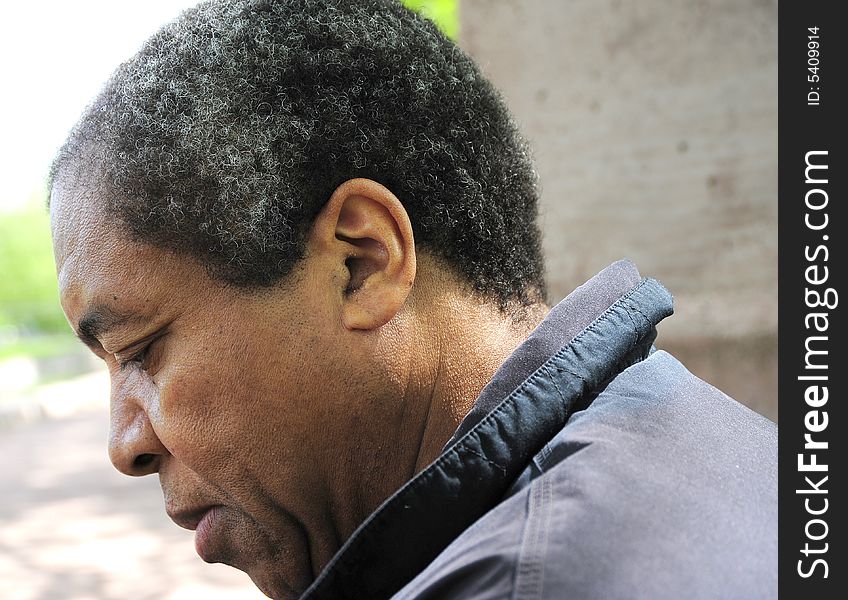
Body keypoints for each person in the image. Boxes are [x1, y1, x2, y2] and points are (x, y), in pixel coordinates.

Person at [48, 0, 777, 598]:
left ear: (361, 262)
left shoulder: (535, 579)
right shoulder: (703, 441)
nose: (125, 446)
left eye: (140, 352)